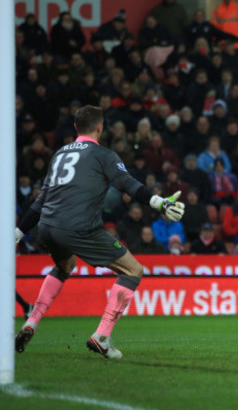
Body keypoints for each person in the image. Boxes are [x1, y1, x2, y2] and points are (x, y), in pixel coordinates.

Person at [14, 106, 185, 358]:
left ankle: (33, 320)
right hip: (80, 227)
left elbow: (41, 200)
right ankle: (102, 336)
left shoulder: (59, 154)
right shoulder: (103, 154)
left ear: (75, 128)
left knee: (65, 265)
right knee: (133, 270)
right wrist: (159, 203)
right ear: (100, 127)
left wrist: (18, 232)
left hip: (46, 227)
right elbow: (128, 184)